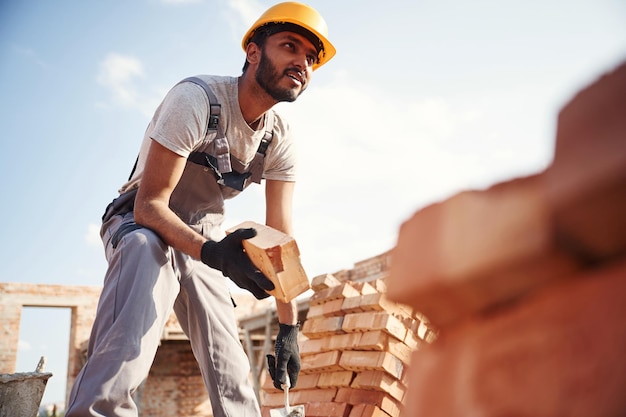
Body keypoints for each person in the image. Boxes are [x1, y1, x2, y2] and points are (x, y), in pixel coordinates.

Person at [65, 2, 336, 416]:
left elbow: (280, 241)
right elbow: (149, 205)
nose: (302, 62)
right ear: (254, 53)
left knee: (229, 362)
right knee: (143, 252)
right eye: (289, 46)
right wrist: (214, 254)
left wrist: (287, 327)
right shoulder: (197, 99)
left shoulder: (278, 139)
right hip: (141, 220)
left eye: (310, 58)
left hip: (207, 237)